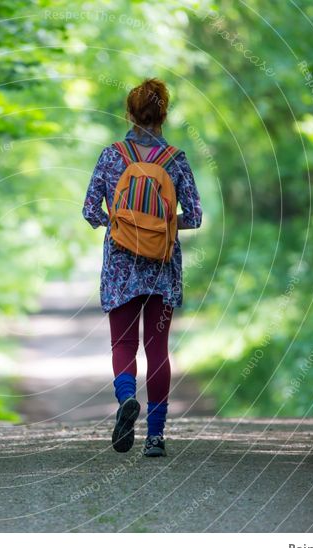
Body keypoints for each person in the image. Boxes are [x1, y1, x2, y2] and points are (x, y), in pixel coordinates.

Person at [82, 78, 203, 457]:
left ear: (130, 114)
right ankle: (155, 436)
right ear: (163, 114)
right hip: (162, 268)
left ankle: (124, 401)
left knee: (123, 344)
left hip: (120, 265)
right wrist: (163, 226)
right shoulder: (176, 159)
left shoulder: (111, 156)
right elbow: (195, 217)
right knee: (158, 350)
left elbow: (89, 211)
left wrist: (118, 223)